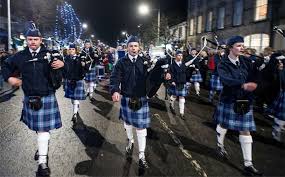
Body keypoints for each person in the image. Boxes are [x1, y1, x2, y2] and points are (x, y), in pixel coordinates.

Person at [2, 26, 65, 176]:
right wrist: (9, 78)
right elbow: (5, 65)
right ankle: (42, 146)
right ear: (26, 40)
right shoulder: (20, 56)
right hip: (30, 96)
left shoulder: (49, 54)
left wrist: (63, 64)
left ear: (41, 40)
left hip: (47, 95)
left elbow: (66, 67)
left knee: (43, 130)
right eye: (30, 39)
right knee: (41, 130)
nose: (32, 42)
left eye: (35, 39)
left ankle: (42, 161)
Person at [110, 35, 170, 169]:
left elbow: (152, 75)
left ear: (139, 47)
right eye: (131, 46)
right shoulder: (121, 62)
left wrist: (163, 72)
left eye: (135, 46)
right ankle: (130, 140)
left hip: (141, 97)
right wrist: (114, 90)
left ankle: (142, 155)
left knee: (141, 127)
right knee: (128, 122)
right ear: (127, 48)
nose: (133, 48)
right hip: (126, 96)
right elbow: (115, 77)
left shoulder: (145, 61)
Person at [213, 36, 262, 176]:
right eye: (239, 45)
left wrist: (263, 65)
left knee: (245, 130)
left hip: (244, 100)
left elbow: (255, 75)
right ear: (230, 47)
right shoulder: (223, 64)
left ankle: (248, 164)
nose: (242, 48)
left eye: (243, 45)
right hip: (229, 99)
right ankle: (220, 145)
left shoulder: (246, 61)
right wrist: (242, 85)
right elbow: (226, 80)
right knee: (223, 125)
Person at [63, 43, 89, 123]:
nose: (71, 51)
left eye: (73, 49)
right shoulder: (66, 58)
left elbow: (86, 68)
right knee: (72, 99)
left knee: (75, 99)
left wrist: (84, 66)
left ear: (76, 50)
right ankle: (76, 107)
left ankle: (74, 114)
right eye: (70, 49)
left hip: (78, 80)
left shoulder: (80, 58)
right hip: (69, 80)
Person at [168, 50, 190, 119]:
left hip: (182, 83)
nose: (180, 57)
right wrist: (172, 81)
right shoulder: (172, 65)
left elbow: (186, 73)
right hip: (175, 82)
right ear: (175, 56)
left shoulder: (184, 64)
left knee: (182, 98)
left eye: (181, 56)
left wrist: (187, 81)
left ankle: (181, 113)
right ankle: (171, 105)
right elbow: (170, 74)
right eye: (179, 55)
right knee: (174, 96)